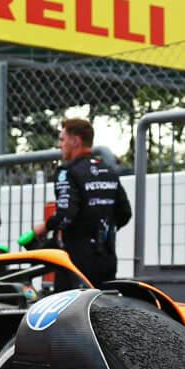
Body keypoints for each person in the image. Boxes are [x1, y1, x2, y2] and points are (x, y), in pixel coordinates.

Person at [33, 118, 131, 290]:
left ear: (75, 141)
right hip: (106, 258)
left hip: (75, 261)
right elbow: (125, 213)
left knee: (67, 313)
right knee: (102, 312)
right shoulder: (108, 170)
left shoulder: (67, 172)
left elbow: (65, 215)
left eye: (62, 140)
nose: (60, 145)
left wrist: (43, 228)